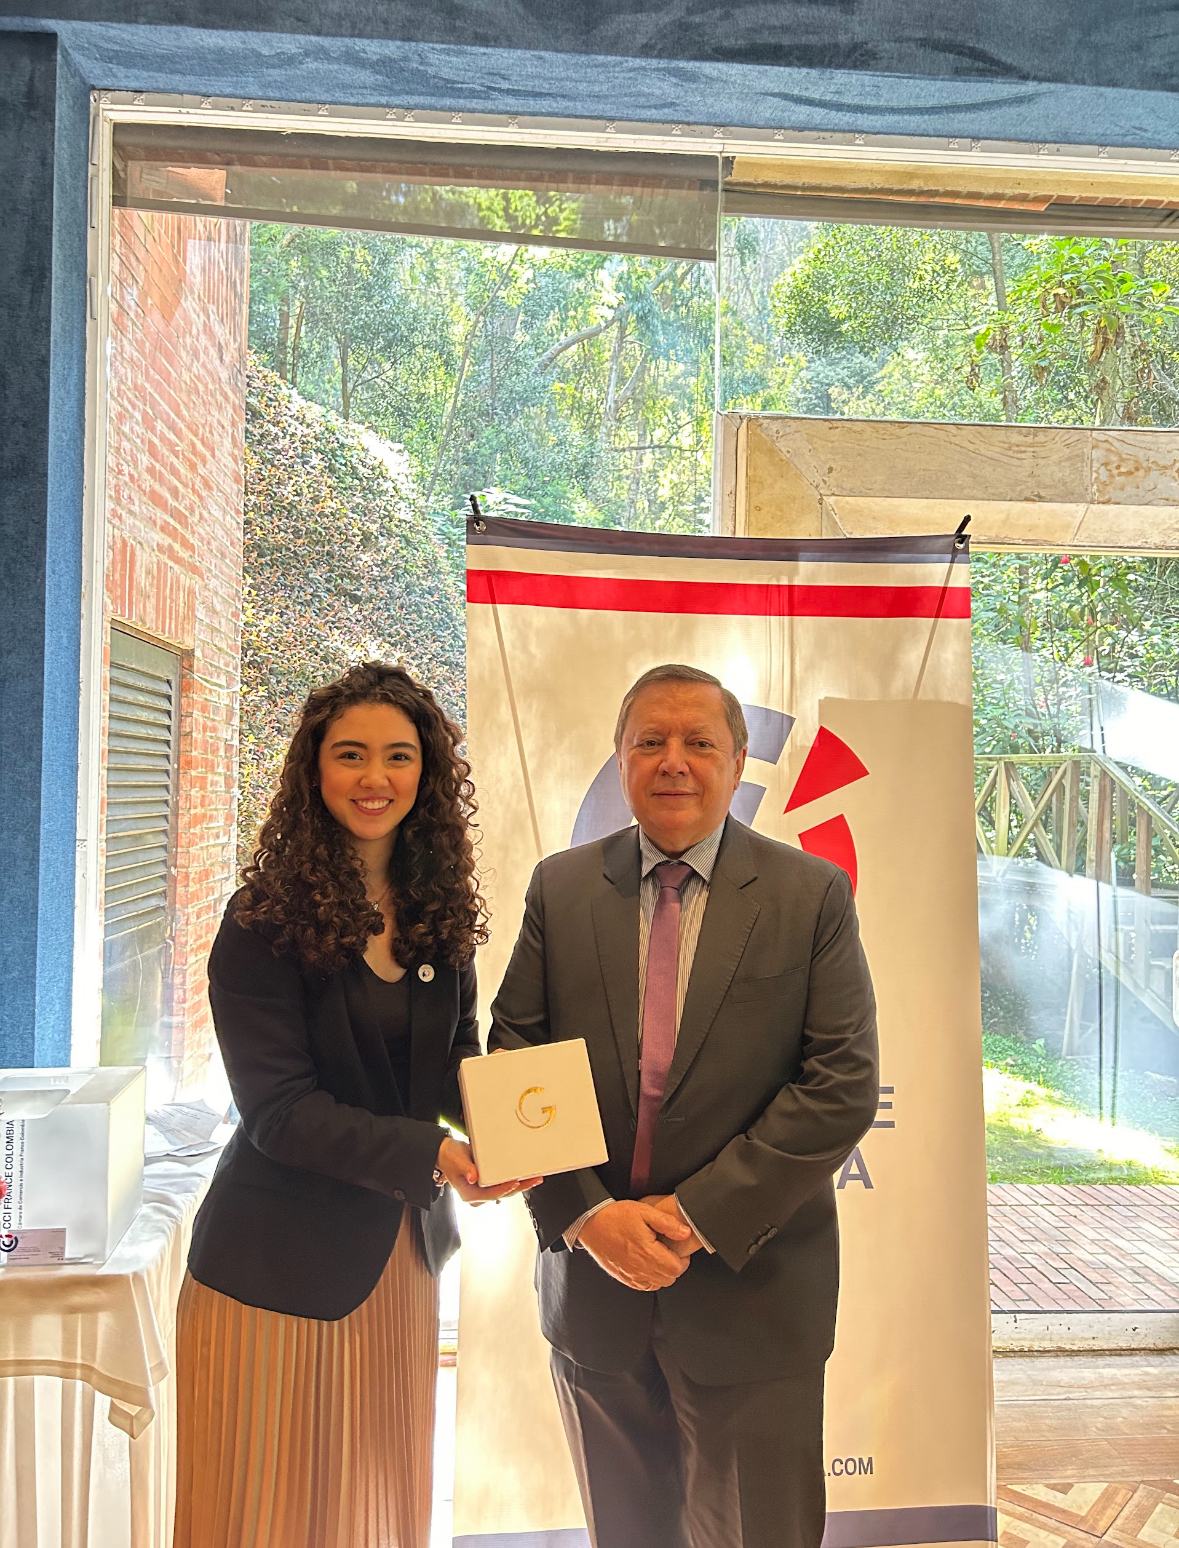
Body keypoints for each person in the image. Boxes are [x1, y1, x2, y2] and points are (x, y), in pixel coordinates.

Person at [489, 662, 879, 1548]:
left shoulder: (810, 894)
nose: (673, 761)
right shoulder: (560, 888)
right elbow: (515, 1063)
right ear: (620, 759)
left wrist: (691, 1215)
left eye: (699, 742)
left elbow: (839, 1083)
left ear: (737, 761)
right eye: (649, 741)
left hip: (752, 1297)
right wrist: (588, 1217)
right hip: (594, 1296)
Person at [174, 661, 537, 1548]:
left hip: (398, 1265)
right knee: (261, 1521)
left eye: (398, 756)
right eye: (350, 755)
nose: (375, 778)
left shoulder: (437, 911)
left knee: (375, 1516)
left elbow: (450, 1061)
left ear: (427, 773)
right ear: (315, 769)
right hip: (274, 1269)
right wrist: (435, 1154)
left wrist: (506, 1124)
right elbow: (280, 1113)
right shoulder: (260, 921)